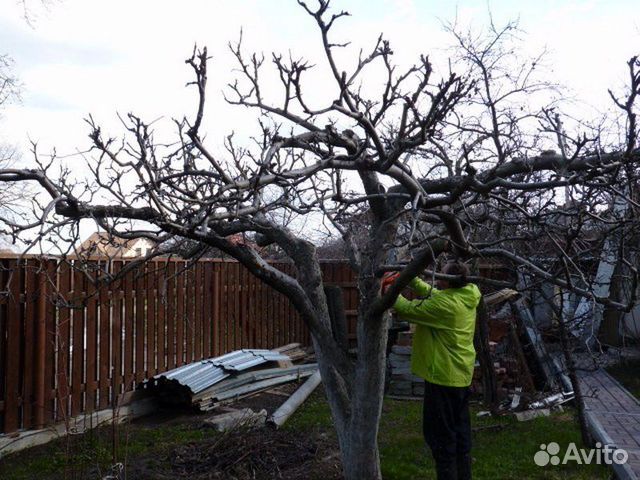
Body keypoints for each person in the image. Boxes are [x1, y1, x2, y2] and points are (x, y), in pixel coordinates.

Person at [383, 261, 481, 480]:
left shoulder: (446, 306)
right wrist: (410, 278)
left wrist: (388, 289)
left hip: (442, 378)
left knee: (440, 437)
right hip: (460, 375)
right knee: (460, 433)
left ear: (449, 281)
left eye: (442, 275)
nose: (437, 278)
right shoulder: (467, 294)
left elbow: (408, 309)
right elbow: (434, 293)